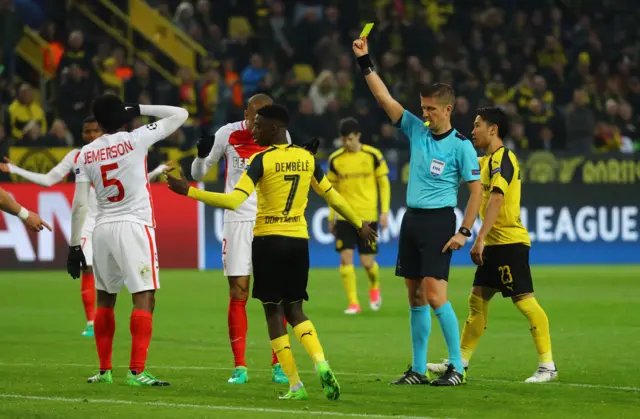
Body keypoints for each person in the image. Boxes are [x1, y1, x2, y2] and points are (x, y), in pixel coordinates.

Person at [166, 104, 377, 401]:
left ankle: (295, 385)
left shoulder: (259, 160)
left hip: (268, 240)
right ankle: (321, 362)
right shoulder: (307, 159)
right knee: (296, 310)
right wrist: (359, 224)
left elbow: (234, 201)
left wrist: (189, 191)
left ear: (275, 129)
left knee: (273, 311)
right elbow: (333, 196)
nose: (254, 131)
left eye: (259, 126)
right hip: (298, 242)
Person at [353, 36, 482, 386]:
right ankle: (418, 368)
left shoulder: (461, 148)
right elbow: (383, 99)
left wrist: (465, 231)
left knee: (436, 294)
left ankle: (456, 367)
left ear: (448, 110)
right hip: (412, 220)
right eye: (422, 108)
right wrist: (366, 62)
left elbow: (476, 192)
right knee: (414, 295)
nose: (424, 114)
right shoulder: (416, 130)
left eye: (430, 109)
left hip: (440, 221)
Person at [0, 117, 169, 337]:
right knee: (87, 268)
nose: (90, 135)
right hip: (88, 223)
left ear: (103, 131)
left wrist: (155, 172)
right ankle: (91, 322)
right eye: (86, 131)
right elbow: (48, 180)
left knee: (115, 283)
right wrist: (15, 169)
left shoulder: (119, 151)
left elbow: (134, 181)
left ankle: (105, 326)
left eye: (94, 131)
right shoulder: (78, 156)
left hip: (111, 220)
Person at [427, 107, 557, 383]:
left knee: (524, 302)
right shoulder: (484, 161)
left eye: (477, 125)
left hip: (509, 242)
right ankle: (459, 361)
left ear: (493, 129)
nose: (473, 131)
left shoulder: (504, 159)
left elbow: (497, 199)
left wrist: (480, 238)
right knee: (477, 300)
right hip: (495, 245)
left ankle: (547, 366)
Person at [66, 94, 188, 386]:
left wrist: (73, 246)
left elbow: (80, 203)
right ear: (122, 115)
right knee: (144, 295)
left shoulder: (85, 153)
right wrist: (141, 108)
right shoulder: (135, 139)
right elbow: (180, 114)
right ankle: (136, 371)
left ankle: (105, 370)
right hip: (134, 225)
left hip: (102, 229)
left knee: (105, 300)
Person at [190, 93, 291, 385]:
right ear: (245, 112)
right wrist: (200, 155)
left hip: (270, 220)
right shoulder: (227, 133)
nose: (257, 121)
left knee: (275, 295)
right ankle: (240, 366)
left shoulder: (279, 136)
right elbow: (198, 174)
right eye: (253, 115)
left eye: (263, 117)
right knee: (238, 292)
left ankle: (279, 364)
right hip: (237, 220)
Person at [327, 117, 390, 314]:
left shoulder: (373, 155)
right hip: (345, 216)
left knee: (367, 262)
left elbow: (384, 183)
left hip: (367, 216)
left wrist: (385, 211)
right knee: (346, 258)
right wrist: (331, 217)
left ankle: (374, 286)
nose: (347, 143)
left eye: (351, 139)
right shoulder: (335, 159)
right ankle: (354, 303)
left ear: (358, 137)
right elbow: (331, 191)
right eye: (344, 139)